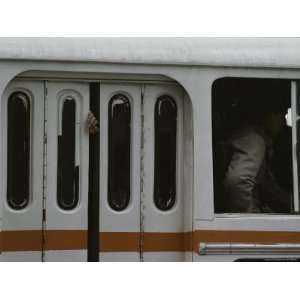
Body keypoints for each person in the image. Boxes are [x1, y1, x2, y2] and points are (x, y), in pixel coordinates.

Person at [222, 100, 291, 213]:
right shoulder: (254, 140)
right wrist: (251, 215)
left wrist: (291, 202)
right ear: (267, 116)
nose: (283, 121)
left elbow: (267, 187)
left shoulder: (254, 138)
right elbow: (238, 182)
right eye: (279, 115)